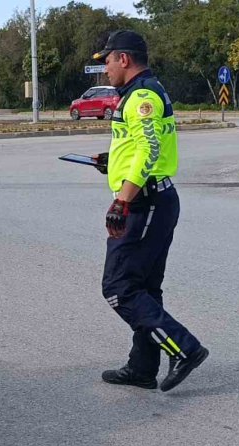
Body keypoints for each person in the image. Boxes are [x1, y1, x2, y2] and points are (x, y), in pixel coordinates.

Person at [92, 30, 209, 392]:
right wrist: (112, 162)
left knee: (119, 288)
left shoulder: (141, 96)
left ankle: (184, 348)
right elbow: (139, 147)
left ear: (123, 59)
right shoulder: (142, 92)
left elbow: (150, 150)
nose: (105, 69)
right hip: (155, 198)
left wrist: (122, 200)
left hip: (145, 204)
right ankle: (142, 368)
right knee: (145, 287)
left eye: (107, 61)